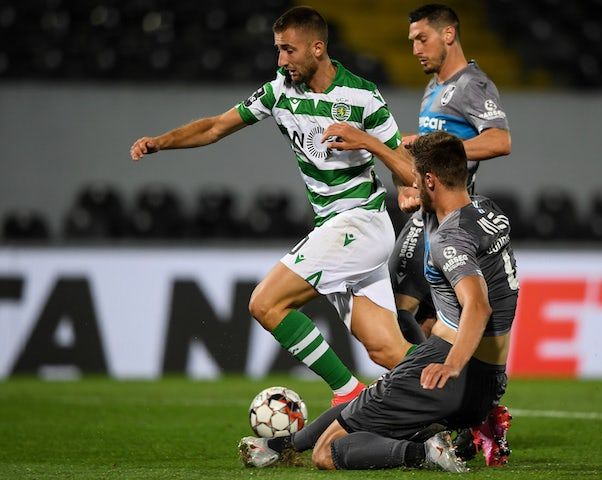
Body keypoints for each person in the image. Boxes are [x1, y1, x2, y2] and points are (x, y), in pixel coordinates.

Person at [129, 6, 415, 406]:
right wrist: (161, 141)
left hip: (361, 223)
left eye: (288, 50)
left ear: (317, 48)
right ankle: (467, 408)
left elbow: (407, 166)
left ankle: (347, 394)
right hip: (334, 227)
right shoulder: (279, 91)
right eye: (278, 50)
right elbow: (215, 126)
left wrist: (366, 141)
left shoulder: (362, 95)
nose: (281, 60)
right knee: (387, 350)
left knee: (265, 302)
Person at [239, 131, 519, 472]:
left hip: (448, 370)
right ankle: (280, 447)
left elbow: (477, 305)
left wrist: (453, 364)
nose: (410, 185)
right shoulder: (489, 211)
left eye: (414, 178)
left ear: (430, 181)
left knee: (327, 452)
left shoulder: (449, 238)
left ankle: (426, 454)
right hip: (488, 384)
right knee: (377, 394)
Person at [392, 3, 512, 344]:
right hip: (427, 215)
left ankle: (422, 392)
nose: (415, 49)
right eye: (411, 41)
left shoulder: (473, 85)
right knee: (426, 320)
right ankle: (442, 391)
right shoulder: (434, 87)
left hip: (452, 220)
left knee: (402, 312)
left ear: (449, 34)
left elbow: (500, 141)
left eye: (422, 38)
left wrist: (438, 146)